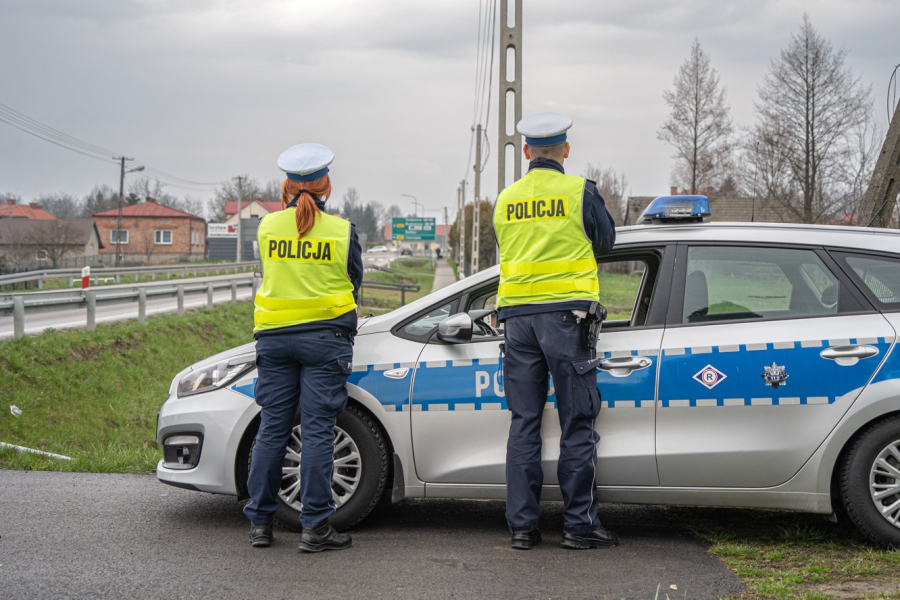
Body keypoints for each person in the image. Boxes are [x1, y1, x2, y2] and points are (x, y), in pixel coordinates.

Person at [493, 113, 618, 550]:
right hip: (567, 319)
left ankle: (523, 529)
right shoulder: (579, 191)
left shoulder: (505, 200)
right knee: (577, 422)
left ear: (527, 152)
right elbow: (606, 243)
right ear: (565, 151)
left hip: (517, 322)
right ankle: (578, 527)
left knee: (524, 422)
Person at [243, 143, 363, 553]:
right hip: (325, 340)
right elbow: (354, 281)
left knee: (272, 428)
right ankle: (315, 528)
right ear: (326, 185)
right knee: (316, 430)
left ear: (287, 186)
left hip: (274, 338)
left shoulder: (266, 227)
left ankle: (260, 523)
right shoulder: (343, 231)